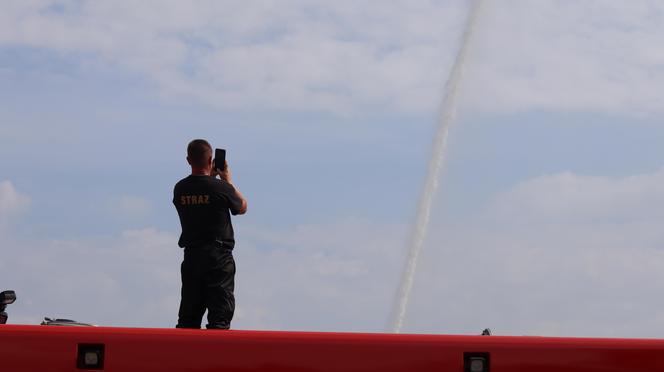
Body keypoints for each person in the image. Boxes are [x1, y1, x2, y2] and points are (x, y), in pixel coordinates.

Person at [173, 139, 247, 329]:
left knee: (188, 318)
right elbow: (242, 207)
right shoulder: (221, 188)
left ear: (188, 160)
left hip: (192, 257)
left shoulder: (180, 189)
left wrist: (212, 181)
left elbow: (202, 192)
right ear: (211, 160)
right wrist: (227, 181)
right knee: (219, 318)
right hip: (218, 258)